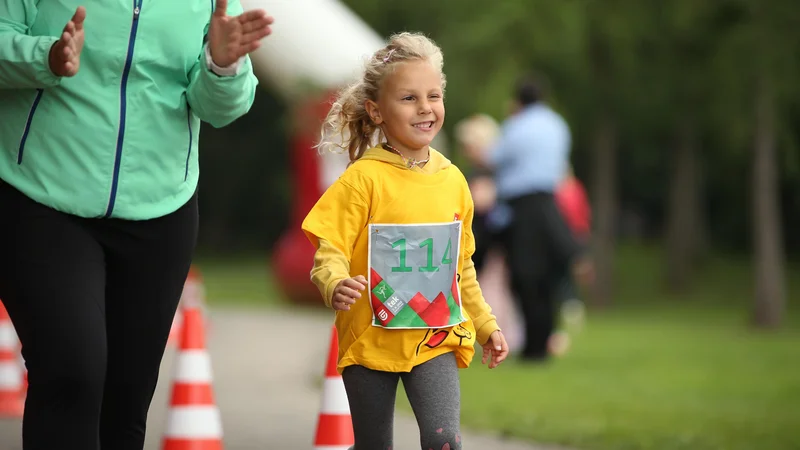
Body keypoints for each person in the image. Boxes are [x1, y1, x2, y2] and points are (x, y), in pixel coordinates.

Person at [0, 1, 272, 448]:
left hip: (161, 209)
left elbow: (220, 108)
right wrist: (45, 56)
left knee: (125, 400)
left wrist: (221, 66)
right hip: (41, 196)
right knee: (71, 372)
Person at [301, 32, 509, 450]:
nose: (425, 108)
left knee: (444, 439)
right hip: (369, 341)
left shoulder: (454, 181)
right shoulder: (363, 179)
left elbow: (461, 266)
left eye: (433, 95)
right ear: (376, 111)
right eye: (409, 98)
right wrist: (333, 281)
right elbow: (331, 248)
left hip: (434, 338)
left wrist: (485, 323)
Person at [484, 74, 592, 362]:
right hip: (550, 203)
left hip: (522, 208)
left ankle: (533, 347)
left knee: (524, 275)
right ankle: (543, 341)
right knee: (545, 276)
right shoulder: (557, 124)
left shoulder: (516, 126)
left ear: (518, 100)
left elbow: (494, 157)